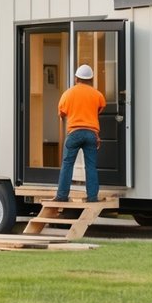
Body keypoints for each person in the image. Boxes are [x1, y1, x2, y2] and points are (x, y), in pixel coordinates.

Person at [53, 64, 106, 203]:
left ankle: (62, 196)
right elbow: (100, 108)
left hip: (74, 133)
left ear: (76, 79)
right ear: (91, 79)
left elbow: (61, 113)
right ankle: (92, 197)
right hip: (91, 134)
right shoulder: (97, 94)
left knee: (67, 164)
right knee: (91, 166)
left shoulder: (68, 94)